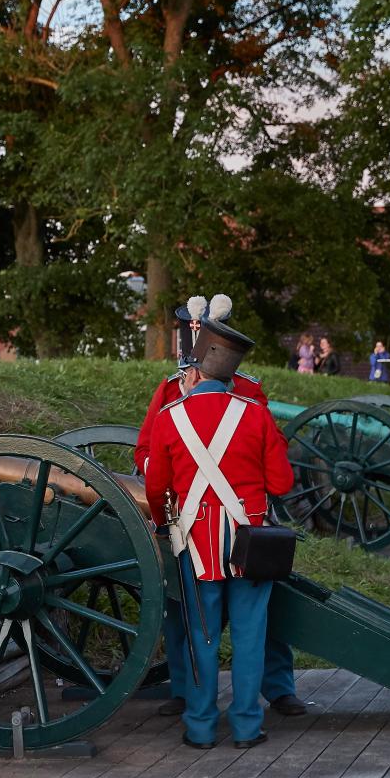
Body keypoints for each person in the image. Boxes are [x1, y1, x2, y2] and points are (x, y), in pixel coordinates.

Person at [136, 293, 305, 724]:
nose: (194, 337)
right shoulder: (169, 390)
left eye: (202, 331)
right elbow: (146, 452)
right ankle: (186, 690)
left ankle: (276, 688)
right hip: (197, 515)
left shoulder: (247, 390)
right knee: (185, 614)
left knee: (258, 615)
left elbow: (271, 450)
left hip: (229, 523)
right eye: (191, 330)